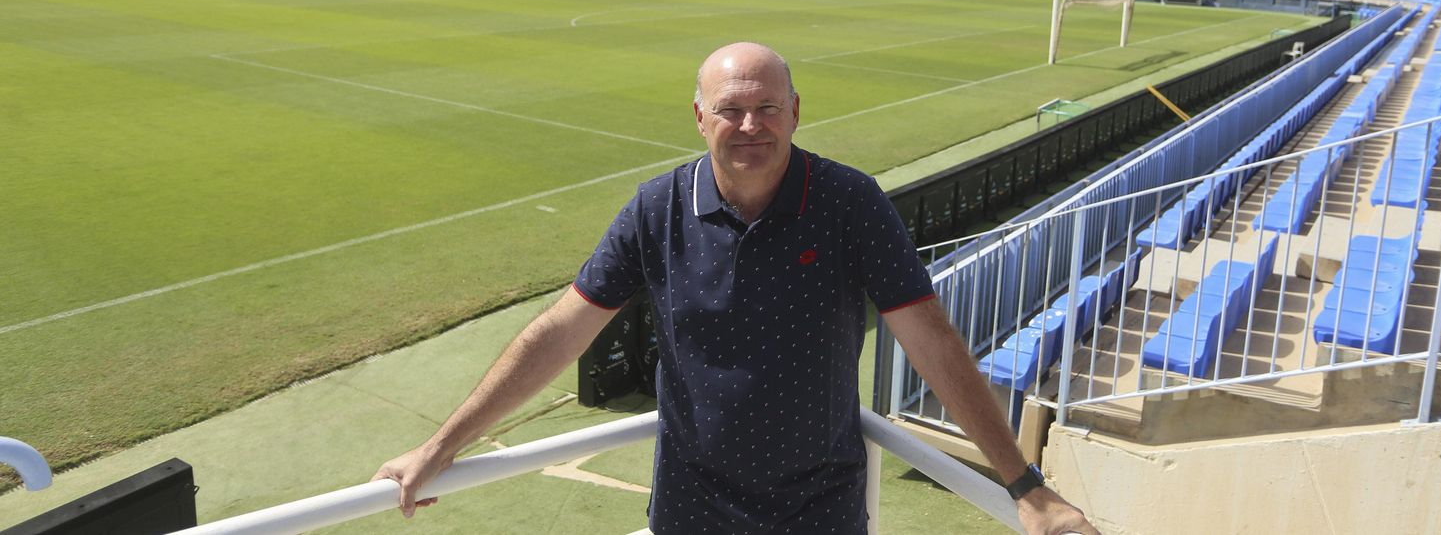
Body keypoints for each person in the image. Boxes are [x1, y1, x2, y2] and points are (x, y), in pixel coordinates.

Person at [373, 42, 1100, 535]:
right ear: (699, 118)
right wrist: (442, 445)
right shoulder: (656, 209)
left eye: (766, 108)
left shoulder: (850, 203)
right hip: (692, 513)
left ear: (795, 111)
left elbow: (932, 343)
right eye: (729, 109)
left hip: (820, 513)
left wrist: (1023, 484)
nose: (749, 125)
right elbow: (560, 332)